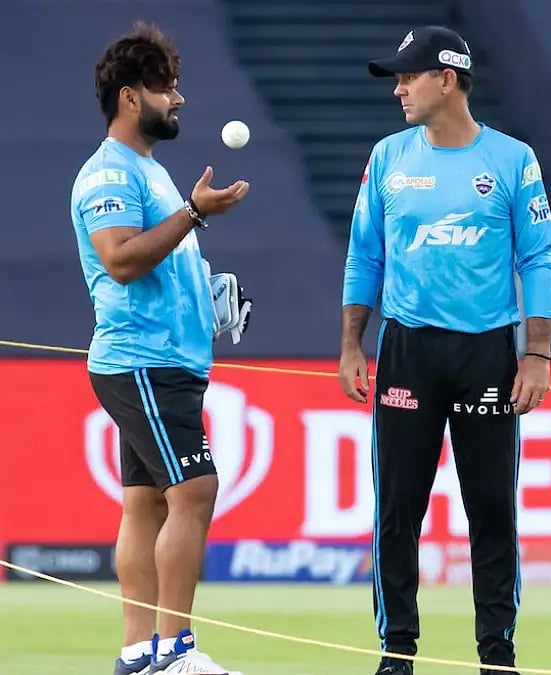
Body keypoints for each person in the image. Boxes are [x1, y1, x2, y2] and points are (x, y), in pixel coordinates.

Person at [338, 25, 551, 675]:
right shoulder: (388, 158)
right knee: (396, 508)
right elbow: (364, 255)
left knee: (492, 509)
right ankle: (396, 654)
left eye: (408, 75)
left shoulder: (513, 160)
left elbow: (537, 257)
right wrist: (352, 343)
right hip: (406, 349)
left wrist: (536, 352)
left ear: (448, 79)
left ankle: (497, 655)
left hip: (488, 352)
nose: (398, 88)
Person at [72, 21, 252, 675]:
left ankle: (136, 653)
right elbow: (119, 260)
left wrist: (212, 298)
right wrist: (196, 214)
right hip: (141, 360)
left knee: (146, 501)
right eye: (165, 88)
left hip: (166, 358)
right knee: (195, 490)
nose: (177, 100)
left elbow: (164, 266)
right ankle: (176, 654)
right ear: (130, 98)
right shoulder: (107, 175)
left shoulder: (148, 171)